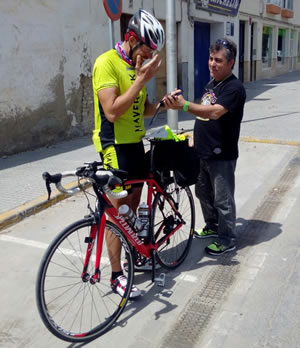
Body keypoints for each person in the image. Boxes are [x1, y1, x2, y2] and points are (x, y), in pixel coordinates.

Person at [92, 9, 165, 297]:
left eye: (151, 55)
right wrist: (140, 79)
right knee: (118, 213)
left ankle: (132, 254)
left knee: (132, 205)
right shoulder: (106, 63)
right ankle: (116, 275)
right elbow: (111, 111)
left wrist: (163, 105)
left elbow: (140, 108)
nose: (147, 59)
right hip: (113, 147)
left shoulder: (138, 67)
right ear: (132, 39)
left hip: (135, 144)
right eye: (146, 51)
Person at [162, 38, 246, 256]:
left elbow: (215, 112)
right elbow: (205, 114)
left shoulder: (234, 88)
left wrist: (185, 105)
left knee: (223, 199)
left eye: (218, 60)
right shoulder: (212, 84)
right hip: (202, 151)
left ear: (231, 63)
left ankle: (227, 239)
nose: (212, 64)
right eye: (210, 59)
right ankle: (212, 226)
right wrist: (193, 137)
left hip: (222, 155)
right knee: (203, 193)